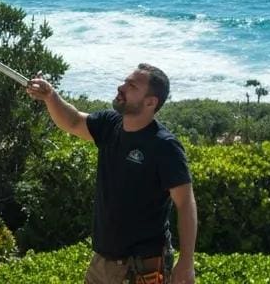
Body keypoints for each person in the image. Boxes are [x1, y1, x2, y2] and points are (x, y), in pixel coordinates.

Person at [27, 65, 197, 284]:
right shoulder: (110, 125)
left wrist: (186, 261)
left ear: (150, 102)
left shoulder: (164, 146)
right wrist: (51, 96)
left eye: (131, 86)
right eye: (125, 81)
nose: (121, 87)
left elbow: (185, 203)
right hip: (101, 262)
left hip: (141, 266)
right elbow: (74, 121)